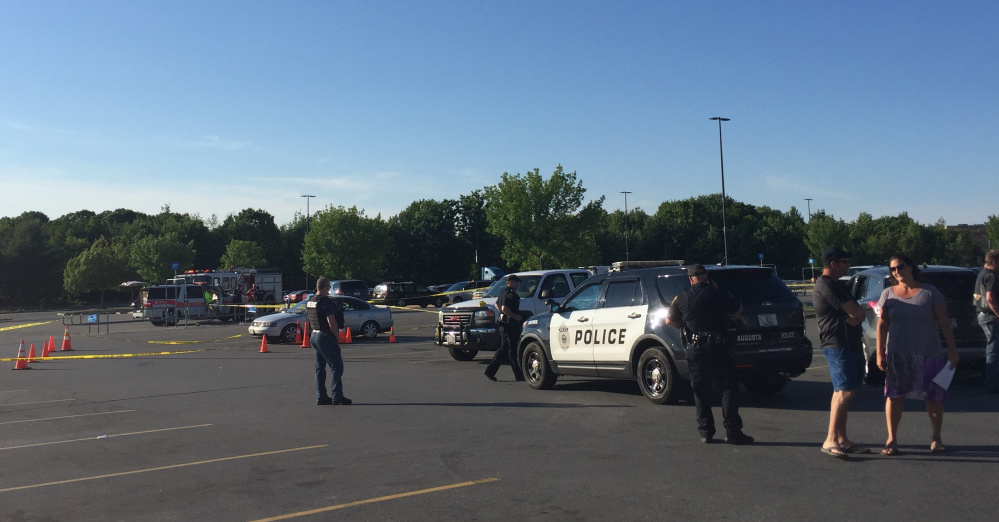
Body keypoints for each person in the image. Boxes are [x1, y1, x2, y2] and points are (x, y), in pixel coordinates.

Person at [876, 254, 959, 455]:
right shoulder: (888, 294)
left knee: (933, 397)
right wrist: (880, 353)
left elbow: (944, 321)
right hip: (898, 354)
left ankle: (936, 437)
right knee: (894, 396)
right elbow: (882, 324)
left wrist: (953, 350)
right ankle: (892, 439)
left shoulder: (929, 293)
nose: (897, 272)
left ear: (911, 267)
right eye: (893, 269)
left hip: (928, 352)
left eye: (901, 267)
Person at [666, 263, 754, 445]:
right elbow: (738, 309)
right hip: (719, 346)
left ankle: (706, 432)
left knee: (700, 389)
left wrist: (686, 326)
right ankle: (732, 431)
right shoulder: (719, 293)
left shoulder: (682, 297)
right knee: (728, 387)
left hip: (696, 347)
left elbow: (669, 320)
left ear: (690, 279)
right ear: (706, 276)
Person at [812, 246, 869, 458]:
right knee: (842, 391)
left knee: (849, 391)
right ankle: (830, 440)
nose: (847, 265)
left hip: (850, 342)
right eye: (844, 262)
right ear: (833, 264)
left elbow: (858, 314)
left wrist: (856, 316)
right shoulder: (826, 285)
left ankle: (842, 439)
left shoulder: (839, 285)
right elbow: (855, 312)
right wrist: (854, 316)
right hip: (836, 343)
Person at [306, 277, 352, 406]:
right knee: (336, 366)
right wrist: (337, 336)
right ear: (325, 287)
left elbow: (310, 319)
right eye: (329, 288)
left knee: (319, 368)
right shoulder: (326, 302)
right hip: (325, 336)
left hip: (314, 335)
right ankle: (337, 396)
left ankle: (321, 396)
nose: (329, 290)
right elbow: (331, 321)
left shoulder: (311, 300)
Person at [484, 274, 526, 382]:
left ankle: (518, 374)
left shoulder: (503, 292)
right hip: (509, 325)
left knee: (508, 349)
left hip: (504, 324)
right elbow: (503, 307)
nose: (518, 284)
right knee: (508, 349)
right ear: (511, 282)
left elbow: (497, 304)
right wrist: (515, 316)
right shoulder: (510, 294)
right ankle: (490, 371)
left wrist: (503, 313)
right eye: (516, 282)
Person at [974, 249, 999, 393]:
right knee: (994, 350)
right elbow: (989, 298)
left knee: (993, 348)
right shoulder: (992, 276)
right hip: (990, 316)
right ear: (995, 261)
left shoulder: (981, 274)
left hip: (982, 314)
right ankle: (993, 384)